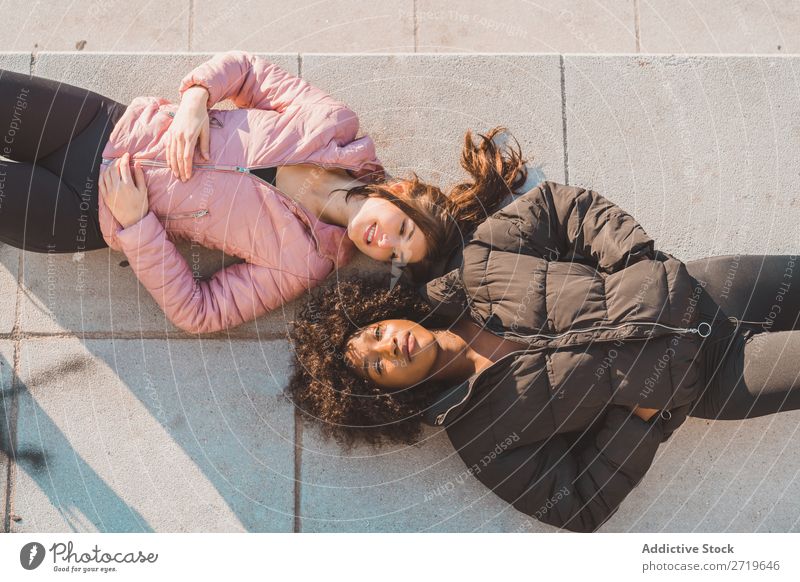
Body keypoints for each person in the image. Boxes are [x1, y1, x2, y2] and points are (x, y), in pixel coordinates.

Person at [286, 180, 800, 532]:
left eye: (376, 333)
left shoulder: (473, 268)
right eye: (378, 367)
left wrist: (634, 258)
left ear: (385, 313)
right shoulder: (482, 436)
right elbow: (577, 505)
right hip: (717, 379)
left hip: (710, 289)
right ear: (390, 399)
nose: (389, 347)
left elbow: (560, 207)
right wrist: (641, 419)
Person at [0, 53, 523, 333]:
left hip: (82, 212)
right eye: (403, 229)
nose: (384, 243)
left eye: (396, 256)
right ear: (403, 191)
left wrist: (138, 227)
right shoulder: (333, 127)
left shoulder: (305, 263)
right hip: (104, 124)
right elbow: (246, 69)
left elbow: (199, 313)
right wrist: (196, 100)